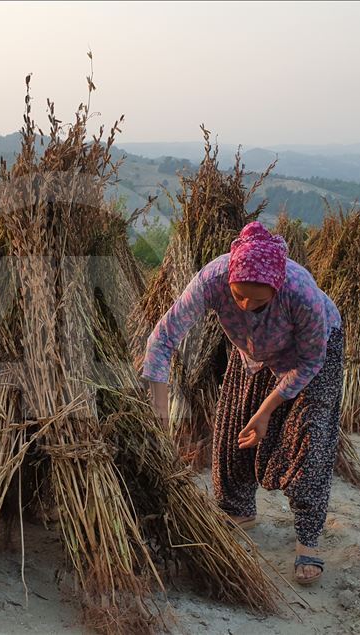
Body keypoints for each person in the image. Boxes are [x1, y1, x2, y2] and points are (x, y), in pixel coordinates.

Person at [142, 221, 343, 585]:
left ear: (277, 288)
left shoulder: (302, 294)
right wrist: (159, 409)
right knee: (234, 426)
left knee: (310, 439)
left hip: (311, 356)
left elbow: (312, 362)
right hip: (252, 351)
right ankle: (237, 509)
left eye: (258, 301)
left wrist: (267, 411)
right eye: (239, 297)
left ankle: (308, 538)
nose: (247, 306)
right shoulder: (213, 279)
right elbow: (163, 338)